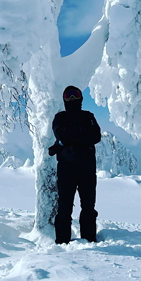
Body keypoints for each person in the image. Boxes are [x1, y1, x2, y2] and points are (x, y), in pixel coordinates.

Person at [50, 85, 101, 244]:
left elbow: (95, 136)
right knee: (64, 207)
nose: (72, 99)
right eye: (68, 96)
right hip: (66, 169)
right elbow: (60, 133)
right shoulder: (60, 117)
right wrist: (82, 133)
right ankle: (62, 242)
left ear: (81, 97)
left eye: (75, 95)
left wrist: (68, 138)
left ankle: (89, 240)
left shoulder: (88, 116)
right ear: (64, 99)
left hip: (87, 170)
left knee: (88, 207)